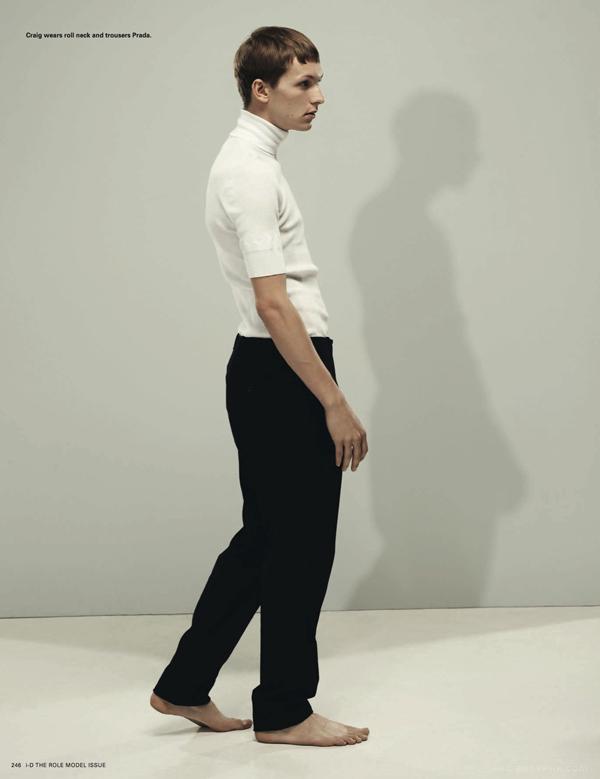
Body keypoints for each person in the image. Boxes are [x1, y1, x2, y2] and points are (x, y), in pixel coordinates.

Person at [150, 26, 369, 747]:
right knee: (300, 546)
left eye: (318, 80)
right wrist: (333, 400)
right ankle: (284, 709)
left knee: (267, 538)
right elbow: (275, 304)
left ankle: (184, 684)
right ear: (261, 90)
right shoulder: (249, 171)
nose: (319, 96)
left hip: (269, 368)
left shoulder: (252, 159)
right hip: (283, 370)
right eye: (305, 83)